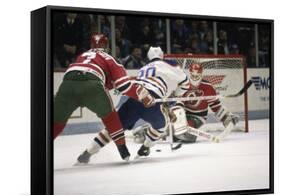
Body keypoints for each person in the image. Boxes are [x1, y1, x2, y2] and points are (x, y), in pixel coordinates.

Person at [77, 46, 189, 163]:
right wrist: (174, 96)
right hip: (152, 101)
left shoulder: (143, 68)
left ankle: (88, 152)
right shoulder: (170, 64)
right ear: (162, 56)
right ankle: (145, 148)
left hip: (134, 98)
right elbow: (185, 83)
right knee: (161, 126)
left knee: (114, 128)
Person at [53, 33, 154, 161]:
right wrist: (143, 95)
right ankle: (123, 151)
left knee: (56, 123)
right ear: (107, 46)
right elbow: (124, 86)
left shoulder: (82, 55)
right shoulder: (109, 58)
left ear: (91, 45)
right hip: (92, 84)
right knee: (111, 118)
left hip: (67, 84)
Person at [134, 63, 240, 143]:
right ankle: (149, 130)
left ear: (201, 74)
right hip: (182, 114)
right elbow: (176, 101)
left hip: (197, 117)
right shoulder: (184, 85)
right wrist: (172, 110)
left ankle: (159, 132)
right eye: (192, 75)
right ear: (190, 73)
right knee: (173, 119)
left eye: (197, 75)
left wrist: (226, 118)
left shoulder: (208, 87)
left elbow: (215, 106)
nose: (195, 77)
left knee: (182, 133)